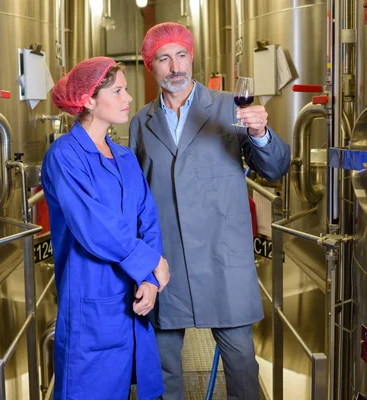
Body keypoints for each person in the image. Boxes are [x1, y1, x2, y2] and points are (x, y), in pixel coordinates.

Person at [129, 23, 291, 399]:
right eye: (164, 59)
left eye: (181, 55)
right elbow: (136, 198)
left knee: (242, 372)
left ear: (192, 57)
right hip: (165, 264)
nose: (175, 67)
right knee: (164, 374)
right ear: (150, 66)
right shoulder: (140, 122)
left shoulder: (232, 107)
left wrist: (261, 134)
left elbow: (275, 168)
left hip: (223, 261)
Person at [41, 56, 170, 400]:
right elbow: (94, 225)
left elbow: (148, 218)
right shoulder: (65, 155)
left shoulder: (125, 156)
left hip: (133, 298)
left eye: (126, 90)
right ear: (89, 101)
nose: (128, 98)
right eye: (118, 91)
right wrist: (150, 262)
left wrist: (150, 278)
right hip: (90, 303)